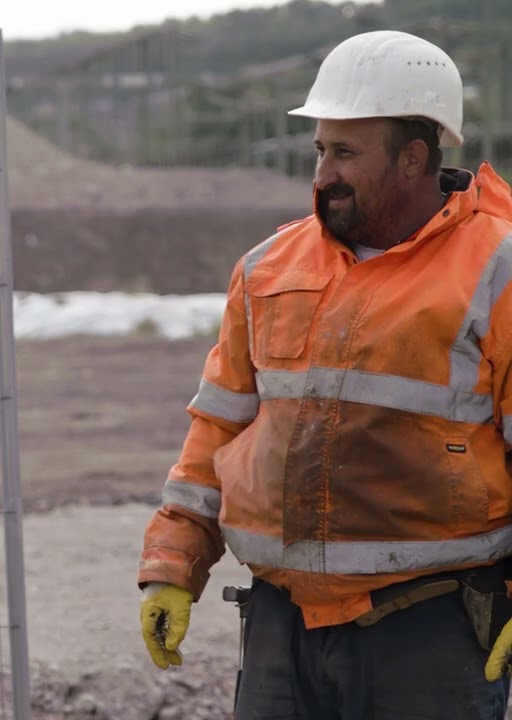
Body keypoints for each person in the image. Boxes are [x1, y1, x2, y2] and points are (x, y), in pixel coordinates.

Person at [137, 29, 512, 719]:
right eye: (319, 150)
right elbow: (221, 423)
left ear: (413, 157)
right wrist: (173, 564)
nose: (321, 173)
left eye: (344, 153)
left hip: (432, 632)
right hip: (282, 629)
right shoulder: (269, 267)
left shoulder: (498, 267)